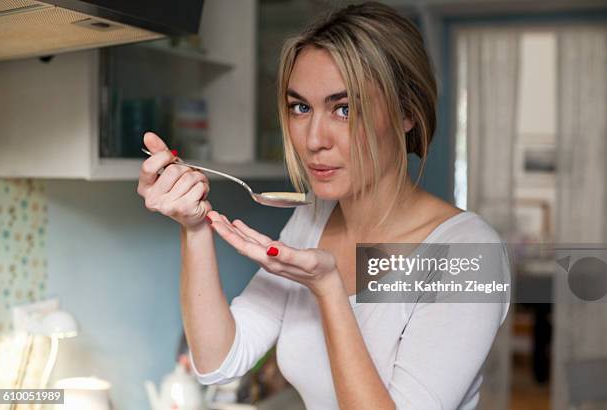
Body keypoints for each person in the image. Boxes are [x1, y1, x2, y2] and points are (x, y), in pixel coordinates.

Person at [136, 2, 510, 409]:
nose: (314, 139)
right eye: (301, 107)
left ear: (406, 112)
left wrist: (329, 290)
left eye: (344, 109)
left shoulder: (470, 252)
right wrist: (194, 228)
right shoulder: (312, 218)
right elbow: (219, 361)